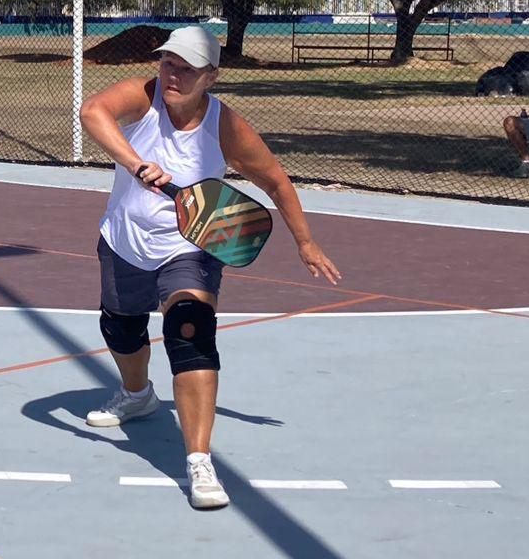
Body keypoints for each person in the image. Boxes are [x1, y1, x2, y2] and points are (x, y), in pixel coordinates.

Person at [78, 26, 341, 510]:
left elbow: (276, 182)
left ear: (211, 77)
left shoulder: (226, 126)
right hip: (124, 239)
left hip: (191, 245)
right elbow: (91, 112)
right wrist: (137, 165)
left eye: (186, 68)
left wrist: (305, 242)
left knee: (190, 330)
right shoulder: (143, 96)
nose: (172, 75)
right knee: (120, 328)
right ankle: (137, 394)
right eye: (168, 63)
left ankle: (199, 461)